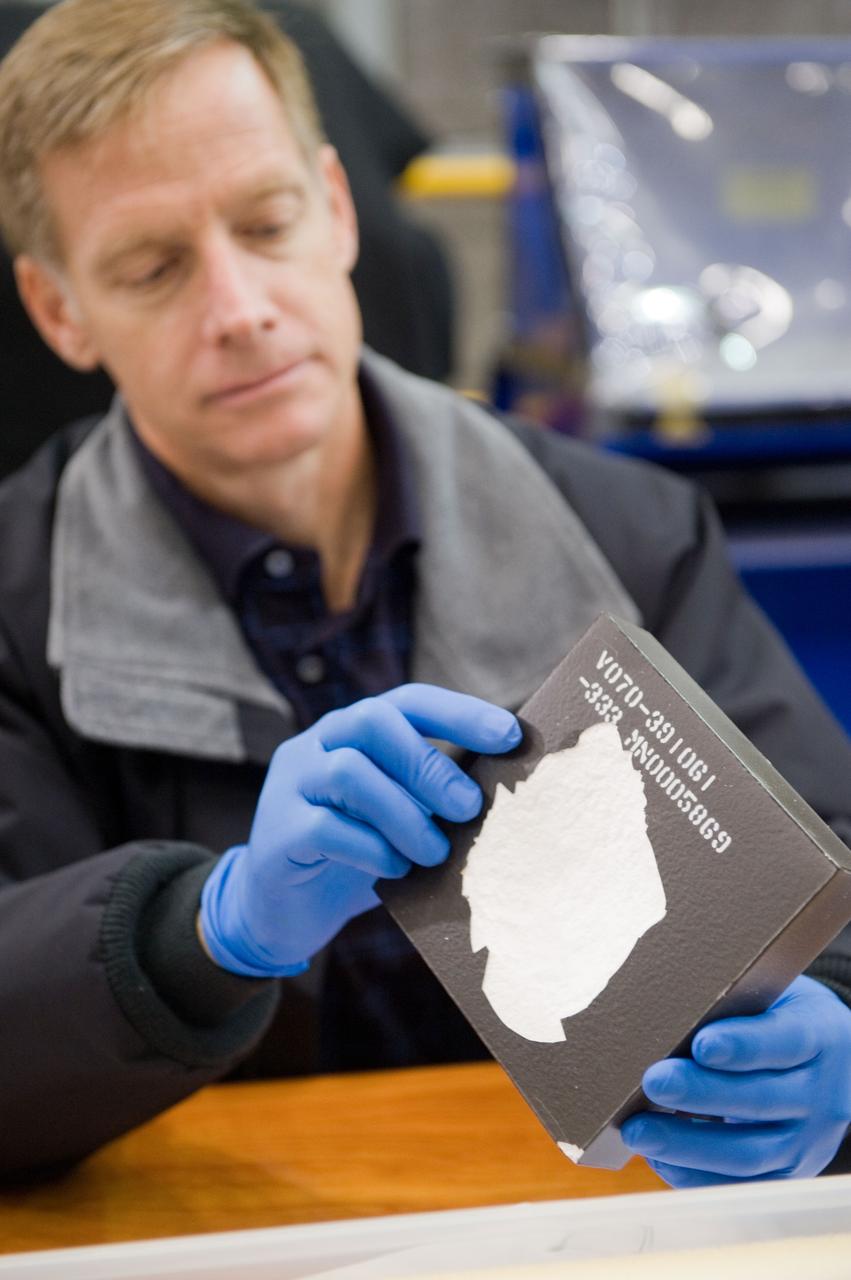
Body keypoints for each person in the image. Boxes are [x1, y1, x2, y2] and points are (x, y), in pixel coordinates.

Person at [0, 0, 848, 1187]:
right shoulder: (16, 606)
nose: (239, 307)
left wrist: (835, 1044)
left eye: (268, 221)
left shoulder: (625, 532)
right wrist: (204, 927)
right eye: (152, 267)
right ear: (58, 310)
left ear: (337, 207)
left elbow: (825, 863)